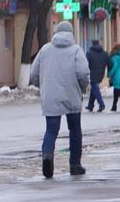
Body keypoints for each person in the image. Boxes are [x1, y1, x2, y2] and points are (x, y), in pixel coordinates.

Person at [33, 24, 91, 178]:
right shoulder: (76, 50)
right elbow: (83, 73)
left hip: (50, 96)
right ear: (71, 34)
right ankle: (75, 165)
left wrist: (43, 85)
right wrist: (83, 87)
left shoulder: (45, 50)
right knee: (75, 130)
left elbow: (33, 73)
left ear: (55, 33)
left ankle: (47, 156)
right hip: (71, 94)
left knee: (51, 129)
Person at [84, 38, 108, 112]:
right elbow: (108, 62)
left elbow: (86, 63)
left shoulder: (89, 52)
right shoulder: (104, 53)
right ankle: (90, 105)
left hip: (92, 73)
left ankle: (101, 104)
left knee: (95, 89)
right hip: (101, 73)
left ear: (92, 43)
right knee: (94, 89)